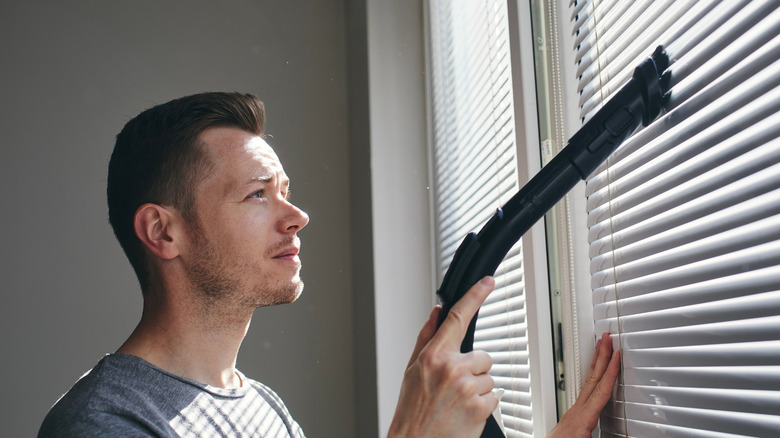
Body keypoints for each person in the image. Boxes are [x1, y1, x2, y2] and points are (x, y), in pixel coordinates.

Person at [38, 92, 620, 437]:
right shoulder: (102, 424)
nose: (297, 216)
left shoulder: (265, 411)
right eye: (257, 194)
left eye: (286, 190)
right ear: (164, 231)